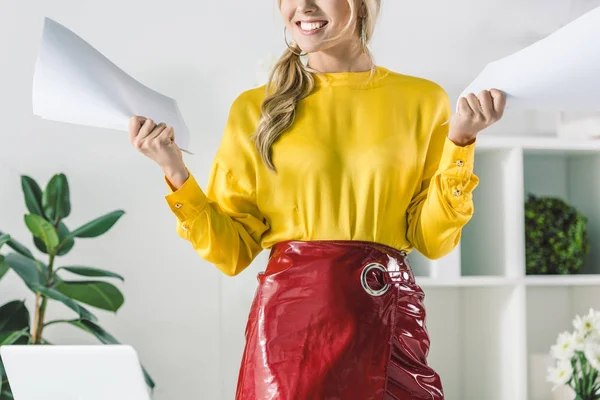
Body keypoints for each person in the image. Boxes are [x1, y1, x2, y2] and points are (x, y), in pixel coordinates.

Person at [129, 0, 506, 398]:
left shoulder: (423, 100)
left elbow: (432, 239)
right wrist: (175, 171)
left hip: (386, 318)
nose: (304, 6)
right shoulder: (254, 108)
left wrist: (461, 142)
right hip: (290, 333)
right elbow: (231, 251)